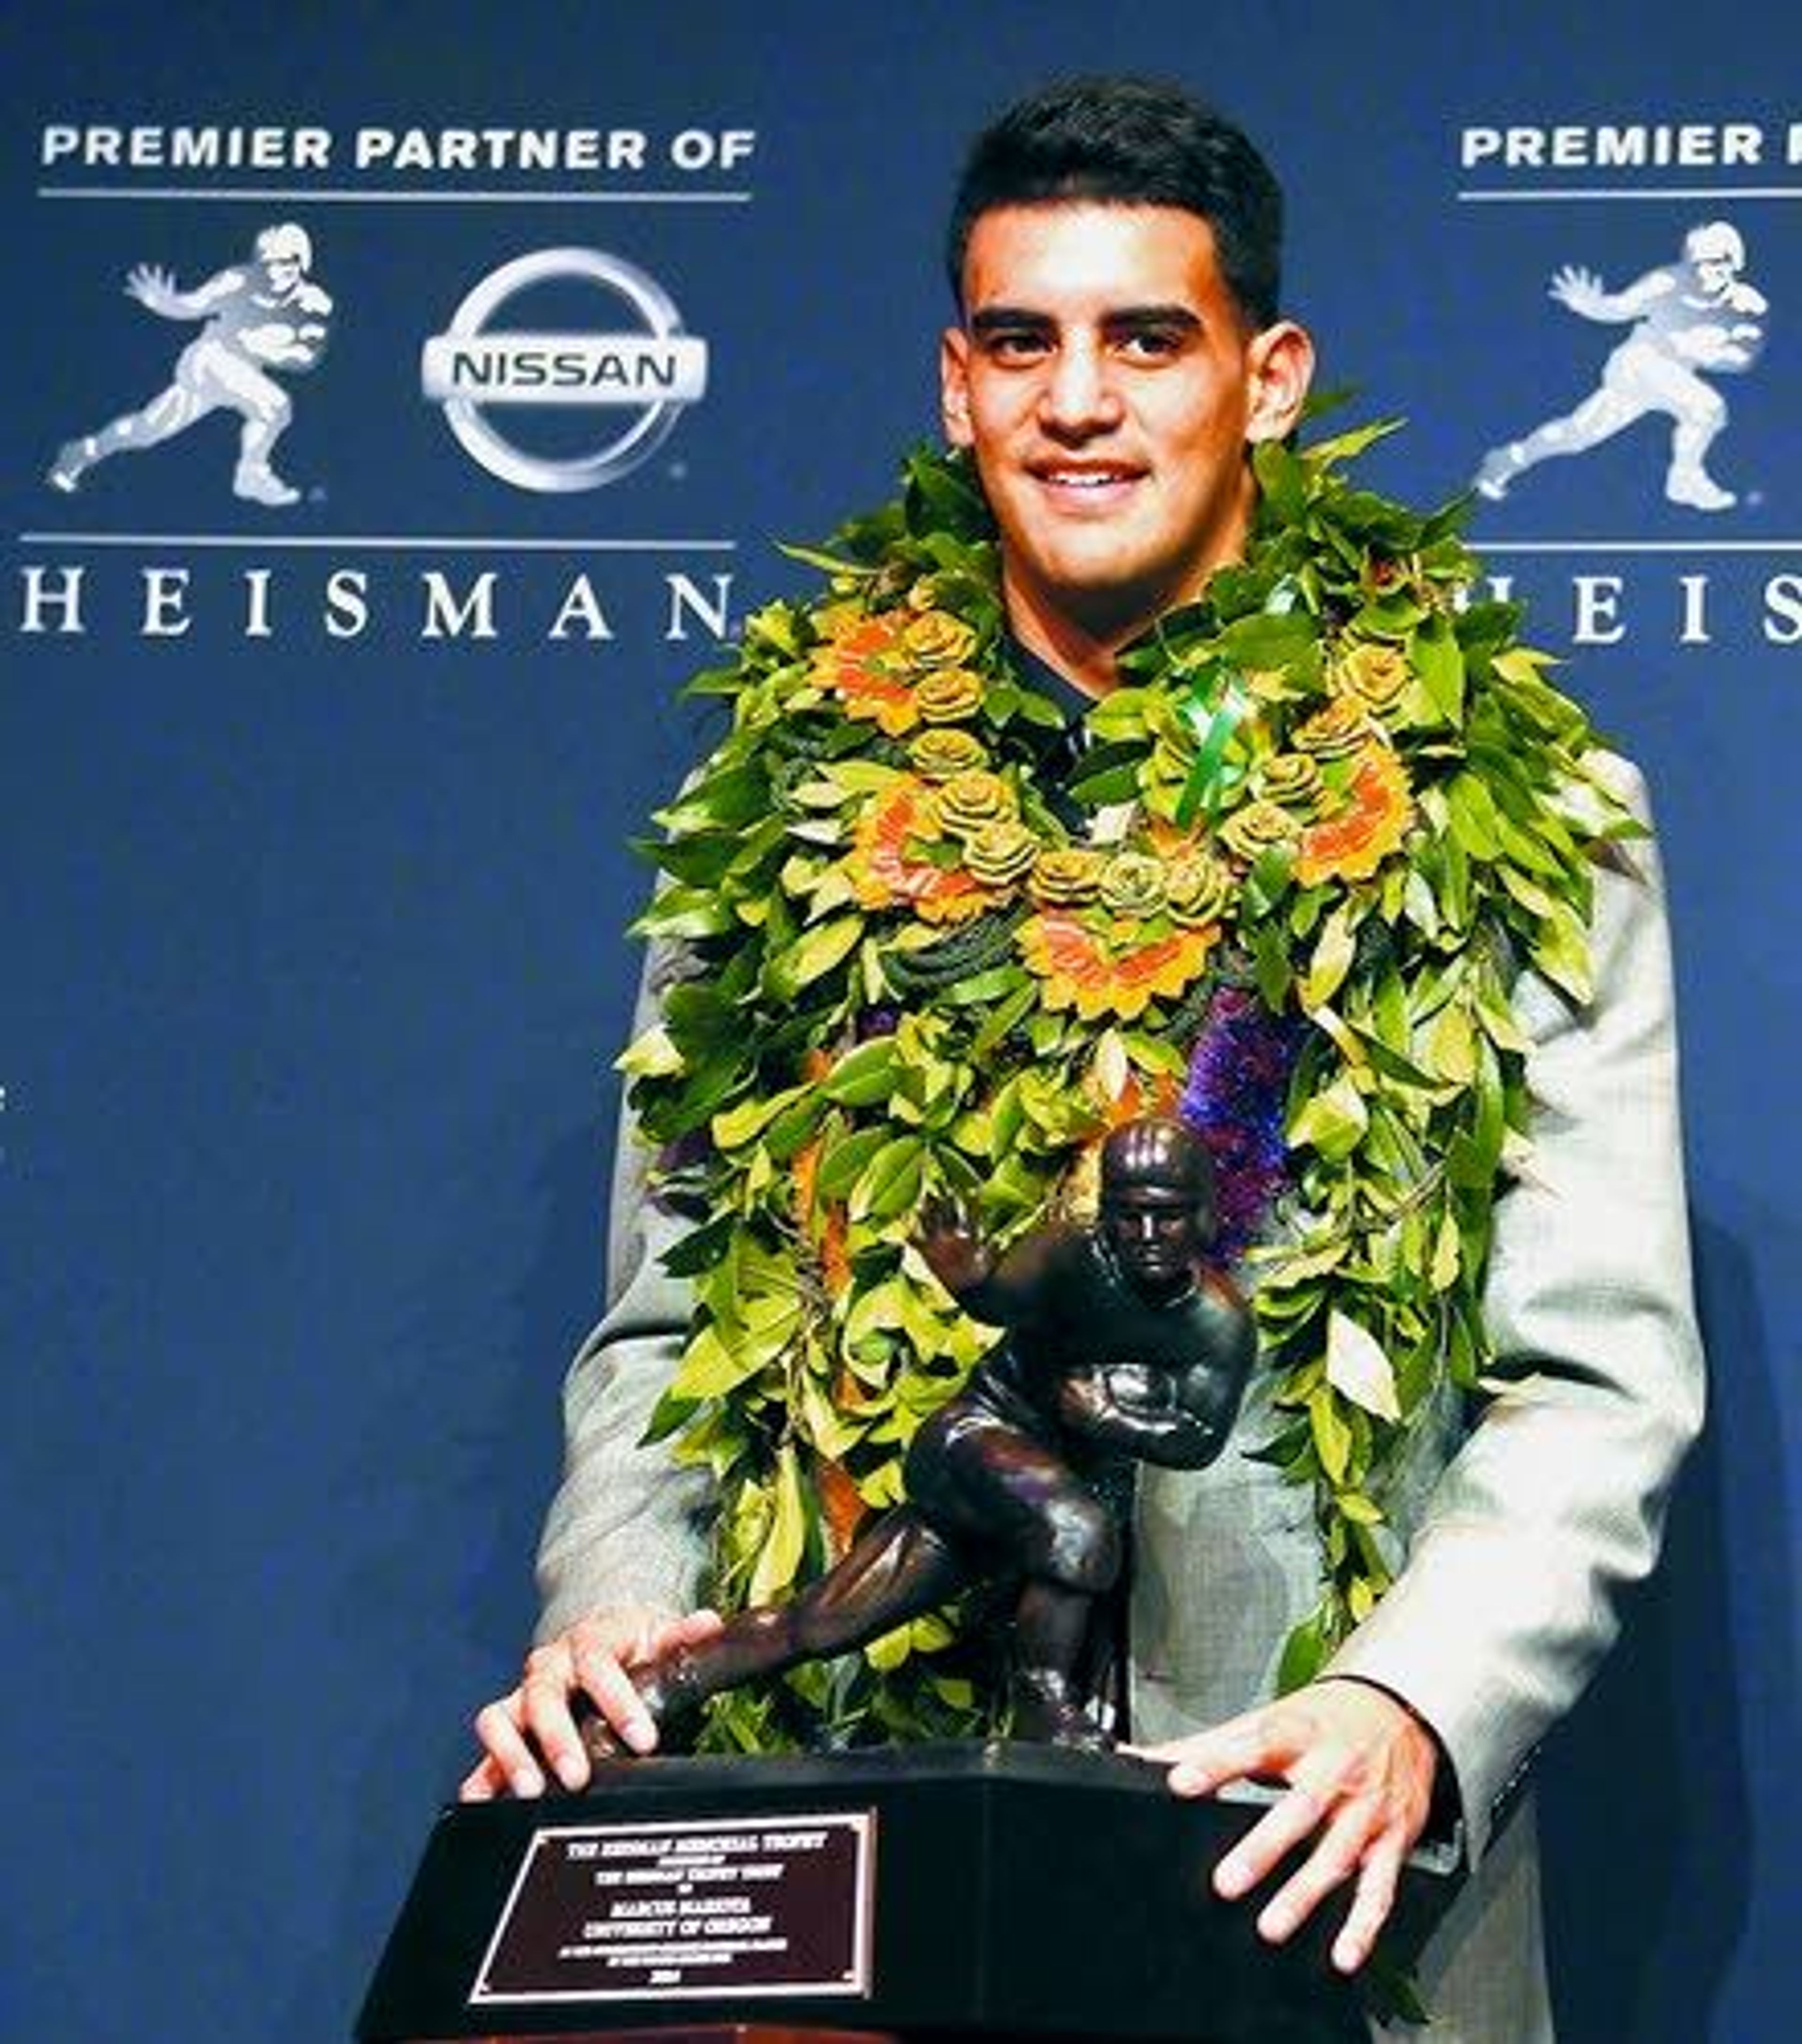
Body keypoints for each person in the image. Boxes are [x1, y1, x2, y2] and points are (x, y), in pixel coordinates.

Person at [464, 77, 1703, 2041]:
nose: (1080, 400)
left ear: (1269, 377)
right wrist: (614, 1606)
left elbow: (1600, 1372)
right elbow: (666, 1308)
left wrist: (1411, 1703)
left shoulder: (1518, 807)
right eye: (1024, 340)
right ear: (958, 385)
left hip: (1306, 1867)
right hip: (848, 1873)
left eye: (1149, 337)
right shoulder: (785, 806)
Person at [574, 1117, 1255, 1757]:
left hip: (1037, 1508)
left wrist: (1109, 1417)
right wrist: (971, 1278)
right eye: (1127, 1212)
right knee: (1080, 1531)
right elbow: (1001, 1298)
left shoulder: (1217, 1322)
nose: (1145, 1233)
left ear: (1203, 1214)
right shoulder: (1073, 1254)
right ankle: (1040, 1698)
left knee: (826, 1621)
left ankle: (665, 1682)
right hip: (975, 1441)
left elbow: (1196, 1437)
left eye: (1166, 1214)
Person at [1474, 219, 1767, 513]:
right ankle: (1684, 480)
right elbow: (1619, 308)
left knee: (1577, 434)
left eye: (1715, 263)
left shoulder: (1747, 305)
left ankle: (1510, 458)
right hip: (1640, 362)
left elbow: (1743, 358)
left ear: (1734, 262)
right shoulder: (1667, 282)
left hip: (1674, 376)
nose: (1705, 273)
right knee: (1708, 408)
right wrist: (1590, 305)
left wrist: (1707, 352)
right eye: (1698, 264)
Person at [47, 221, 331, 506]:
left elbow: (307, 357)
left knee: (146, 430)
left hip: (241, 373)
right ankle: (251, 475)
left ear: (301, 262)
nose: (273, 271)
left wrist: (269, 349)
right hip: (209, 360)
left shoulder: (314, 303)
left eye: (283, 263)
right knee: (276, 406)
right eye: (267, 263)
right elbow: (193, 305)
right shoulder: (238, 280)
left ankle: (84, 451)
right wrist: (164, 302)